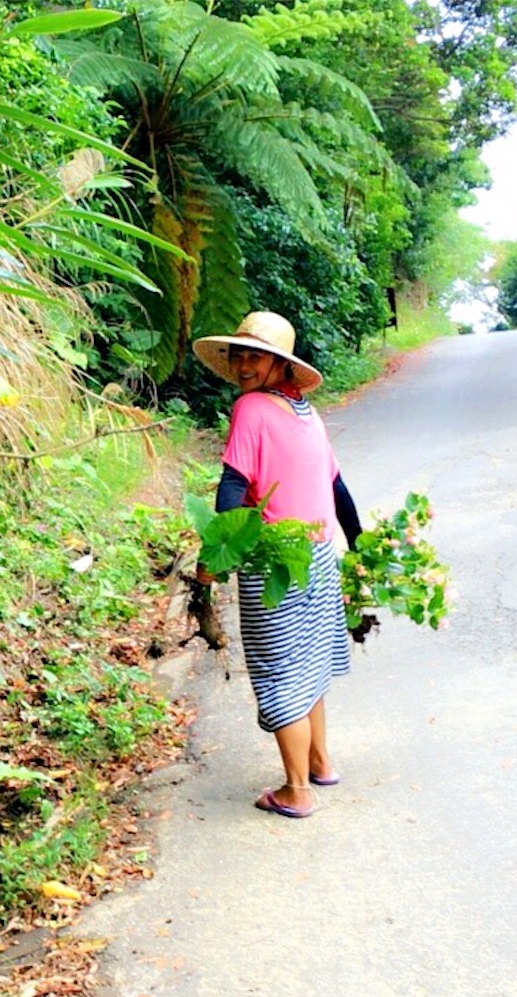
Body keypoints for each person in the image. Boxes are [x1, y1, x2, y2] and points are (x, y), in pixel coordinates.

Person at [192, 311, 363, 819]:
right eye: (239, 355)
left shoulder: (250, 409)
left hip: (274, 562)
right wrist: (359, 543)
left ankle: (296, 791)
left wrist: (215, 555)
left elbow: (230, 485)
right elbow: (337, 488)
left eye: (256, 356)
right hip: (319, 558)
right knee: (308, 663)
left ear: (279, 365)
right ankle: (320, 763)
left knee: (278, 669)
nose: (245, 365)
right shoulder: (307, 415)